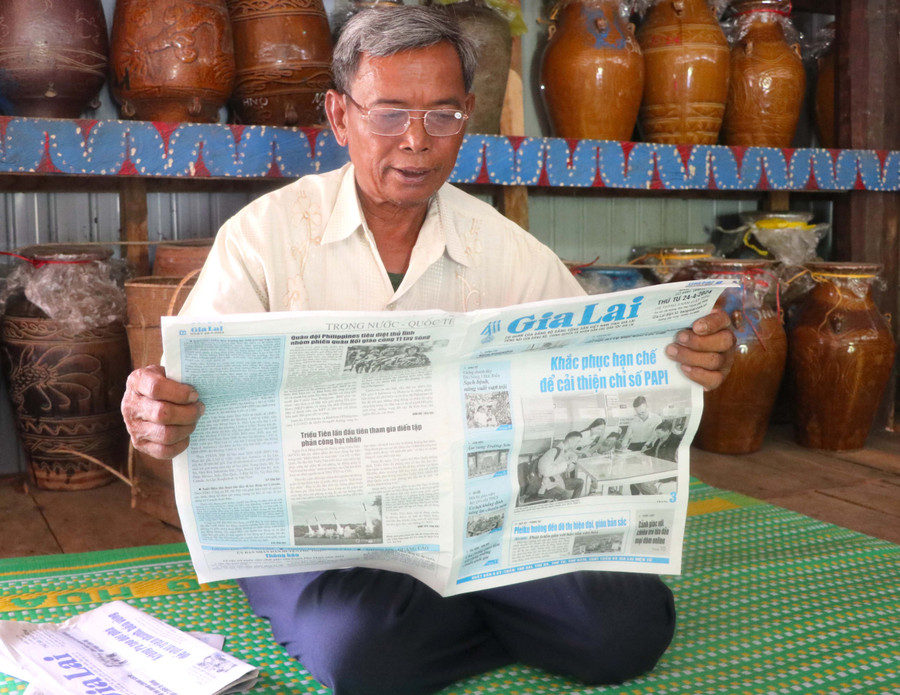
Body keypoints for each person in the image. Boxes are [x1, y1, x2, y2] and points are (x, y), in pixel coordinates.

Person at [121, 7, 735, 695]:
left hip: (478, 525)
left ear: (466, 115)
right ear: (339, 115)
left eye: (442, 115)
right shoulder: (263, 237)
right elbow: (186, 394)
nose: (416, 140)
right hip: (322, 537)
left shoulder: (502, 247)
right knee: (361, 652)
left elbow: (598, 361)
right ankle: (486, 617)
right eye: (388, 113)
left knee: (624, 628)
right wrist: (154, 411)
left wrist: (685, 356)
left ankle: (440, 613)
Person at [536, 430, 584, 499]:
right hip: (548, 485)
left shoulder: (565, 451)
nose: (578, 444)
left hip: (558, 480)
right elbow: (544, 472)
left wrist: (571, 459)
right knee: (566, 495)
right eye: (577, 441)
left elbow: (570, 460)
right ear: (570, 441)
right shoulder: (554, 451)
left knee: (580, 482)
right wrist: (567, 463)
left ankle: (574, 502)